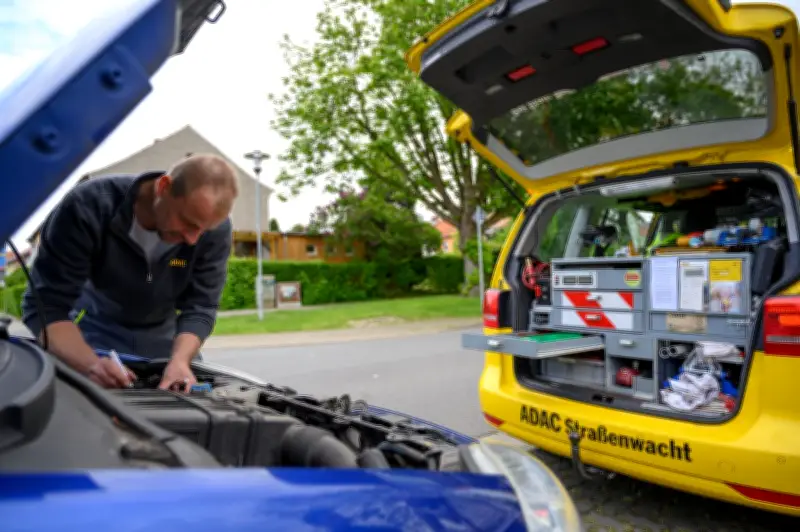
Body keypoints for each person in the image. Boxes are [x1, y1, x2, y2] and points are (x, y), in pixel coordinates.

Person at [21, 153, 238, 391]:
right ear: (163, 187)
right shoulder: (90, 206)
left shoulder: (214, 231)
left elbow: (201, 306)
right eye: (187, 222)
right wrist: (90, 364)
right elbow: (46, 306)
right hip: (93, 340)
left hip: (167, 345)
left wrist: (180, 361)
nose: (192, 239)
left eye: (203, 230)